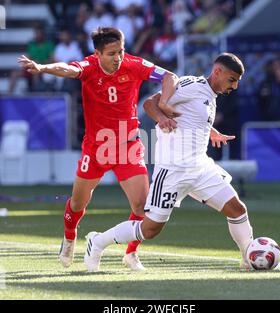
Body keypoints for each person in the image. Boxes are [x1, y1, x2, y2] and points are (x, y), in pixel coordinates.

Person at [18, 27, 178, 271]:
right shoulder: (89, 67)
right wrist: (43, 68)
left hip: (128, 144)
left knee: (142, 206)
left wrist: (164, 101)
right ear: (98, 53)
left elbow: (169, 76)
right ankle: (69, 237)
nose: (118, 58)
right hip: (96, 147)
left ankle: (131, 254)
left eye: (121, 51)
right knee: (78, 203)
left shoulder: (134, 65)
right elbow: (69, 69)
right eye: (112, 53)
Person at [83, 52, 256, 272]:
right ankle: (97, 242)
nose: (234, 86)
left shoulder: (211, 96)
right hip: (172, 170)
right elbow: (149, 103)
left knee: (237, 210)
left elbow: (191, 117)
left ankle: (248, 259)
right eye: (232, 80)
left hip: (200, 168)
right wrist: (161, 118)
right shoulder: (191, 85)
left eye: (237, 82)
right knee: (150, 229)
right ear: (217, 72)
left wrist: (209, 131)